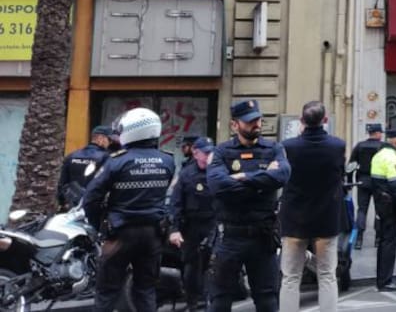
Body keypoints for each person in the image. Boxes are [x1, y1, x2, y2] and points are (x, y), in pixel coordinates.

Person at [82, 108, 175, 312]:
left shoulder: (117, 161)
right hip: (153, 235)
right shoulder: (168, 160)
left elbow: (90, 199)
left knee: (107, 291)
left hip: (120, 233)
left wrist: (99, 224)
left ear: (132, 131)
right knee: (145, 290)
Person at [208, 99, 291, 312]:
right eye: (249, 122)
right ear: (235, 125)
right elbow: (218, 185)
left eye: (258, 120)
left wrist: (242, 177)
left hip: (262, 237)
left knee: (267, 300)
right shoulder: (221, 152)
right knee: (220, 300)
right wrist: (262, 180)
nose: (256, 125)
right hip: (230, 236)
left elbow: (282, 175)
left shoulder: (274, 148)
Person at [280, 101, 346, 312]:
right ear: (325, 120)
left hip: (294, 219)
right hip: (326, 219)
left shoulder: (289, 147)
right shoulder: (337, 146)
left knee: (290, 277)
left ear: (302, 121)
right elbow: (340, 174)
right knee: (327, 275)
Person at [168, 137, 216, 311]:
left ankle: (212, 301)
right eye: (206, 153)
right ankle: (192, 303)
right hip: (192, 228)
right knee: (192, 268)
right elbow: (175, 203)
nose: (209, 156)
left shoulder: (219, 171)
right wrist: (174, 230)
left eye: (212, 152)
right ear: (196, 153)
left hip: (214, 225)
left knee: (216, 266)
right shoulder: (187, 174)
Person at [371, 128, 396, 292]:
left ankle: (382, 279)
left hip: (381, 204)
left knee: (383, 242)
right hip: (391, 206)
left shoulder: (378, 155)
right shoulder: (394, 157)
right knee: (389, 244)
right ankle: (386, 281)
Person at [58, 125, 112, 209]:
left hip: (72, 206)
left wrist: (62, 203)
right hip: (94, 207)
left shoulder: (72, 156)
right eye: (109, 140)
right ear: (101, 138)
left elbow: (62, 183)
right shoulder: (107, 158)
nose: (110, 143)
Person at [349, 123, 385, 250]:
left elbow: (351, 165)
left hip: (363, 181)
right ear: (377, 133)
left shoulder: (360, 146)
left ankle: (359, 239)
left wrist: (349, 182)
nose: (381, 135)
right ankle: (378, 239)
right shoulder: (383, 146)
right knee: (379, 210)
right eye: (380, 132)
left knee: (362, 210)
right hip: (379, 181)